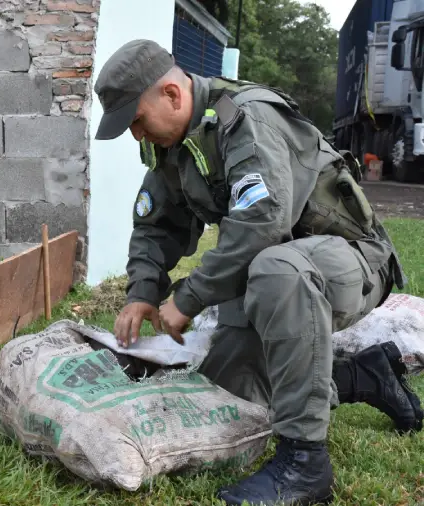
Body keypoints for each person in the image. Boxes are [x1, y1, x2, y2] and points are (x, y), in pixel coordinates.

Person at [93, 39, 423, 506]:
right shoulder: (177, 144)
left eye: (136, 121)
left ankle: (305, 463)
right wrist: (142, 292)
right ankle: (364, 378)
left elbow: (261, 224)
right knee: (234, 398)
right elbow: (156, 225)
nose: (137, 137)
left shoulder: (245, 118)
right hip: (279, 275)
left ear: (170, 94)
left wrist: (188, 300)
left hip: (352, 259)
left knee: (276, 270)